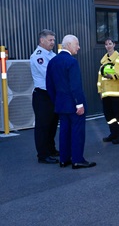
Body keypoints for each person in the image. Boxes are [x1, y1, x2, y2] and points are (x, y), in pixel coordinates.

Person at [46, 35, 96, 169]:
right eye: (77, 44)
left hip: (61, 104)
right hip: (74, 105)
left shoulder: (52, 61)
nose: (79, 47)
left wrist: (56, 101)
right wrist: (79, 104)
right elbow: (76, 86)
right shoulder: (72, 62)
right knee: (77, 132)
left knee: (64, 131)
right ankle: (77, 160)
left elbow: (49, 86)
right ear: (68, 45)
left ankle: (64, 159)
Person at [30, 29, 59, 164]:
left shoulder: (52, 55)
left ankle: (51, 149)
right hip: (42, 95)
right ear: (42, 40)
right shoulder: (38, 56)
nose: (53, 42)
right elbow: (50, 74)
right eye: (50, 40)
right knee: (43, 126)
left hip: (52, 95)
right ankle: (42, 155)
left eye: (53, 40)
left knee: (52, 124)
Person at [97, 38, 119, 144]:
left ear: (114, 44)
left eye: (110, 44)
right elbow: (100, 78)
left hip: (117, 92)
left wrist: (113, 76)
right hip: (106, 93)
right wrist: (100, 91)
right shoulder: (103, 60)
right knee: (109, 115)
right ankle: (114, 133)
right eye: (106, 44)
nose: (108, 46)